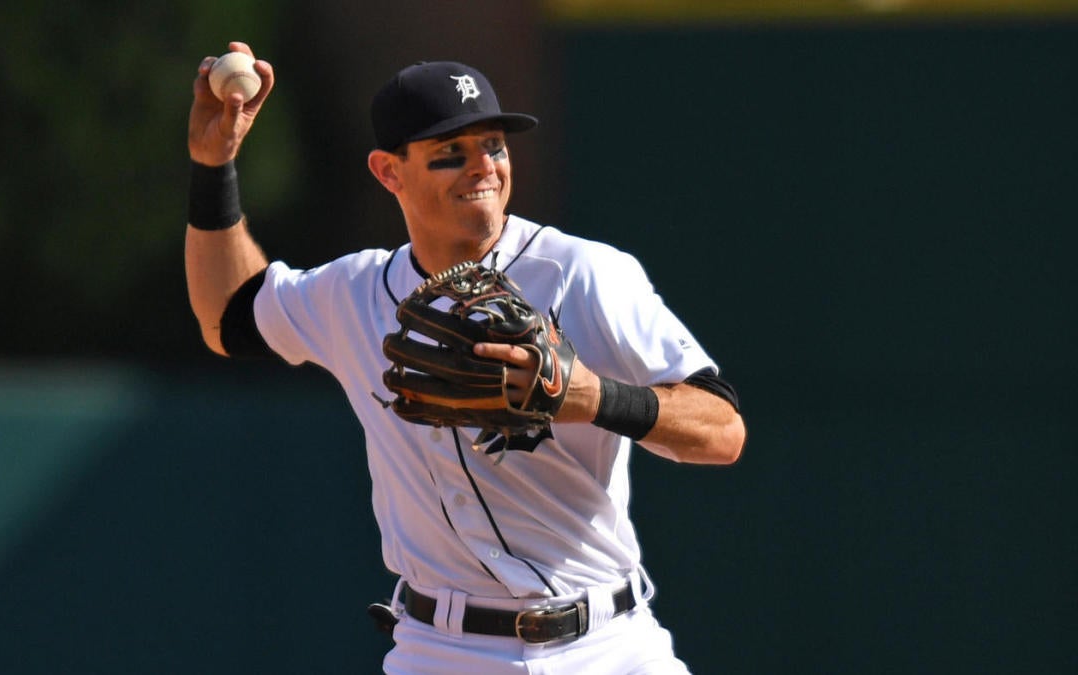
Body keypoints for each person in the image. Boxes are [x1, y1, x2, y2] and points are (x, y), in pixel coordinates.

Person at [185, 41, 746, 674]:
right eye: (451, 153)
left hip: (606, 646)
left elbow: (722, 432)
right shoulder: (352, 293)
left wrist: (595, 397)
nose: (483, 167)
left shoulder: (583, 274)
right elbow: (228, 316)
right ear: (388, 171)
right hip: (442, 650)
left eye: (495, 147)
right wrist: (214, 166)